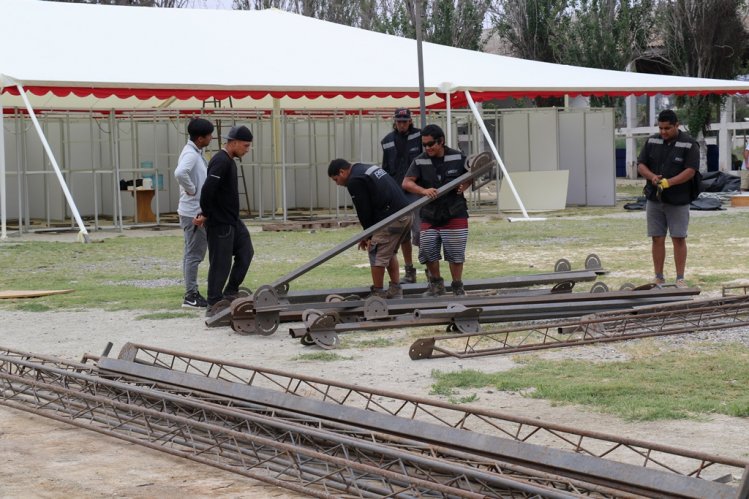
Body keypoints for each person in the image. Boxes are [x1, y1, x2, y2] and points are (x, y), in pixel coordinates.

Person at [402, 124, 472, 296]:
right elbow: (406, 182)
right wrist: (423, 191)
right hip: (429, 214)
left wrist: (465, 185)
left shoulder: (457, 157)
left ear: (441, 141)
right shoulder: (420, 160)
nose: (427, 148)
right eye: (424, 144)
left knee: (455, 253)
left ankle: (457, 286)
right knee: (427, 250)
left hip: (455, 212)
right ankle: (436, 285)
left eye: (430, 144)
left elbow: (472, 174)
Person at [328, 159, 412, 299]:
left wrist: (368, 235)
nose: (337, 184)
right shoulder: (364, 168)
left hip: (392, 218)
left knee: (376, 253)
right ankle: (395, 290)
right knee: (389, 253)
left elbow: (364, 210)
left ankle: (378, 294)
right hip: (406, 214)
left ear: (342, 172)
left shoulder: (354, 180)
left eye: (336, 179)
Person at [637, 109, 698, 288]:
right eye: (661, 128)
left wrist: (669, 183)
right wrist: (652, 177)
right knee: (657, 238)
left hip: (678, 199)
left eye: (667, 128)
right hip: (654, 199)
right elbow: (641, 165)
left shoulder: (689, 144)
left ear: (677, 125)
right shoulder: (652, 141)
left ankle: (680, 278)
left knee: (678, 238)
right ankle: (658, 276)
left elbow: (690, 171)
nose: (663, 132)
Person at [200, 125, 255, 316]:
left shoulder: (230, 161)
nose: (247, 150)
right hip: (220, 222)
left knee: (246, 252)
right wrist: (205, 213)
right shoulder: (220, 161)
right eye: (246, 146)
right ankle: (213, 303)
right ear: (234, 142)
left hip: (232, 220)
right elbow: (207, 189)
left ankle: (231, 291)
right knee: (220, 263)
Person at [173, 118, 214, 309]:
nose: (211, 138)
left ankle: (192, 293)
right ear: (200, 138)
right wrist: (192, 190)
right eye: (209, 135)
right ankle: (191, 295)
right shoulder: (191, 154)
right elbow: (180, 173)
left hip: (191, 210)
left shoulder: (193, 151)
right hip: (193, 211)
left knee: (191, 252)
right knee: (194, 254)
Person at [381, 108, 423, 283]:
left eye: (405, 121)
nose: (402, 124)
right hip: (397, 193)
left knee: (420, 232)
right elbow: (385, 168)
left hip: (416, 190)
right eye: (399, 121)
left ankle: (429, 269)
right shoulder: (387, 141)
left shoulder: (421, 136)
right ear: (394, 121)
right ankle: (409, 271)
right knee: (403, 233)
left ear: (411, 121)